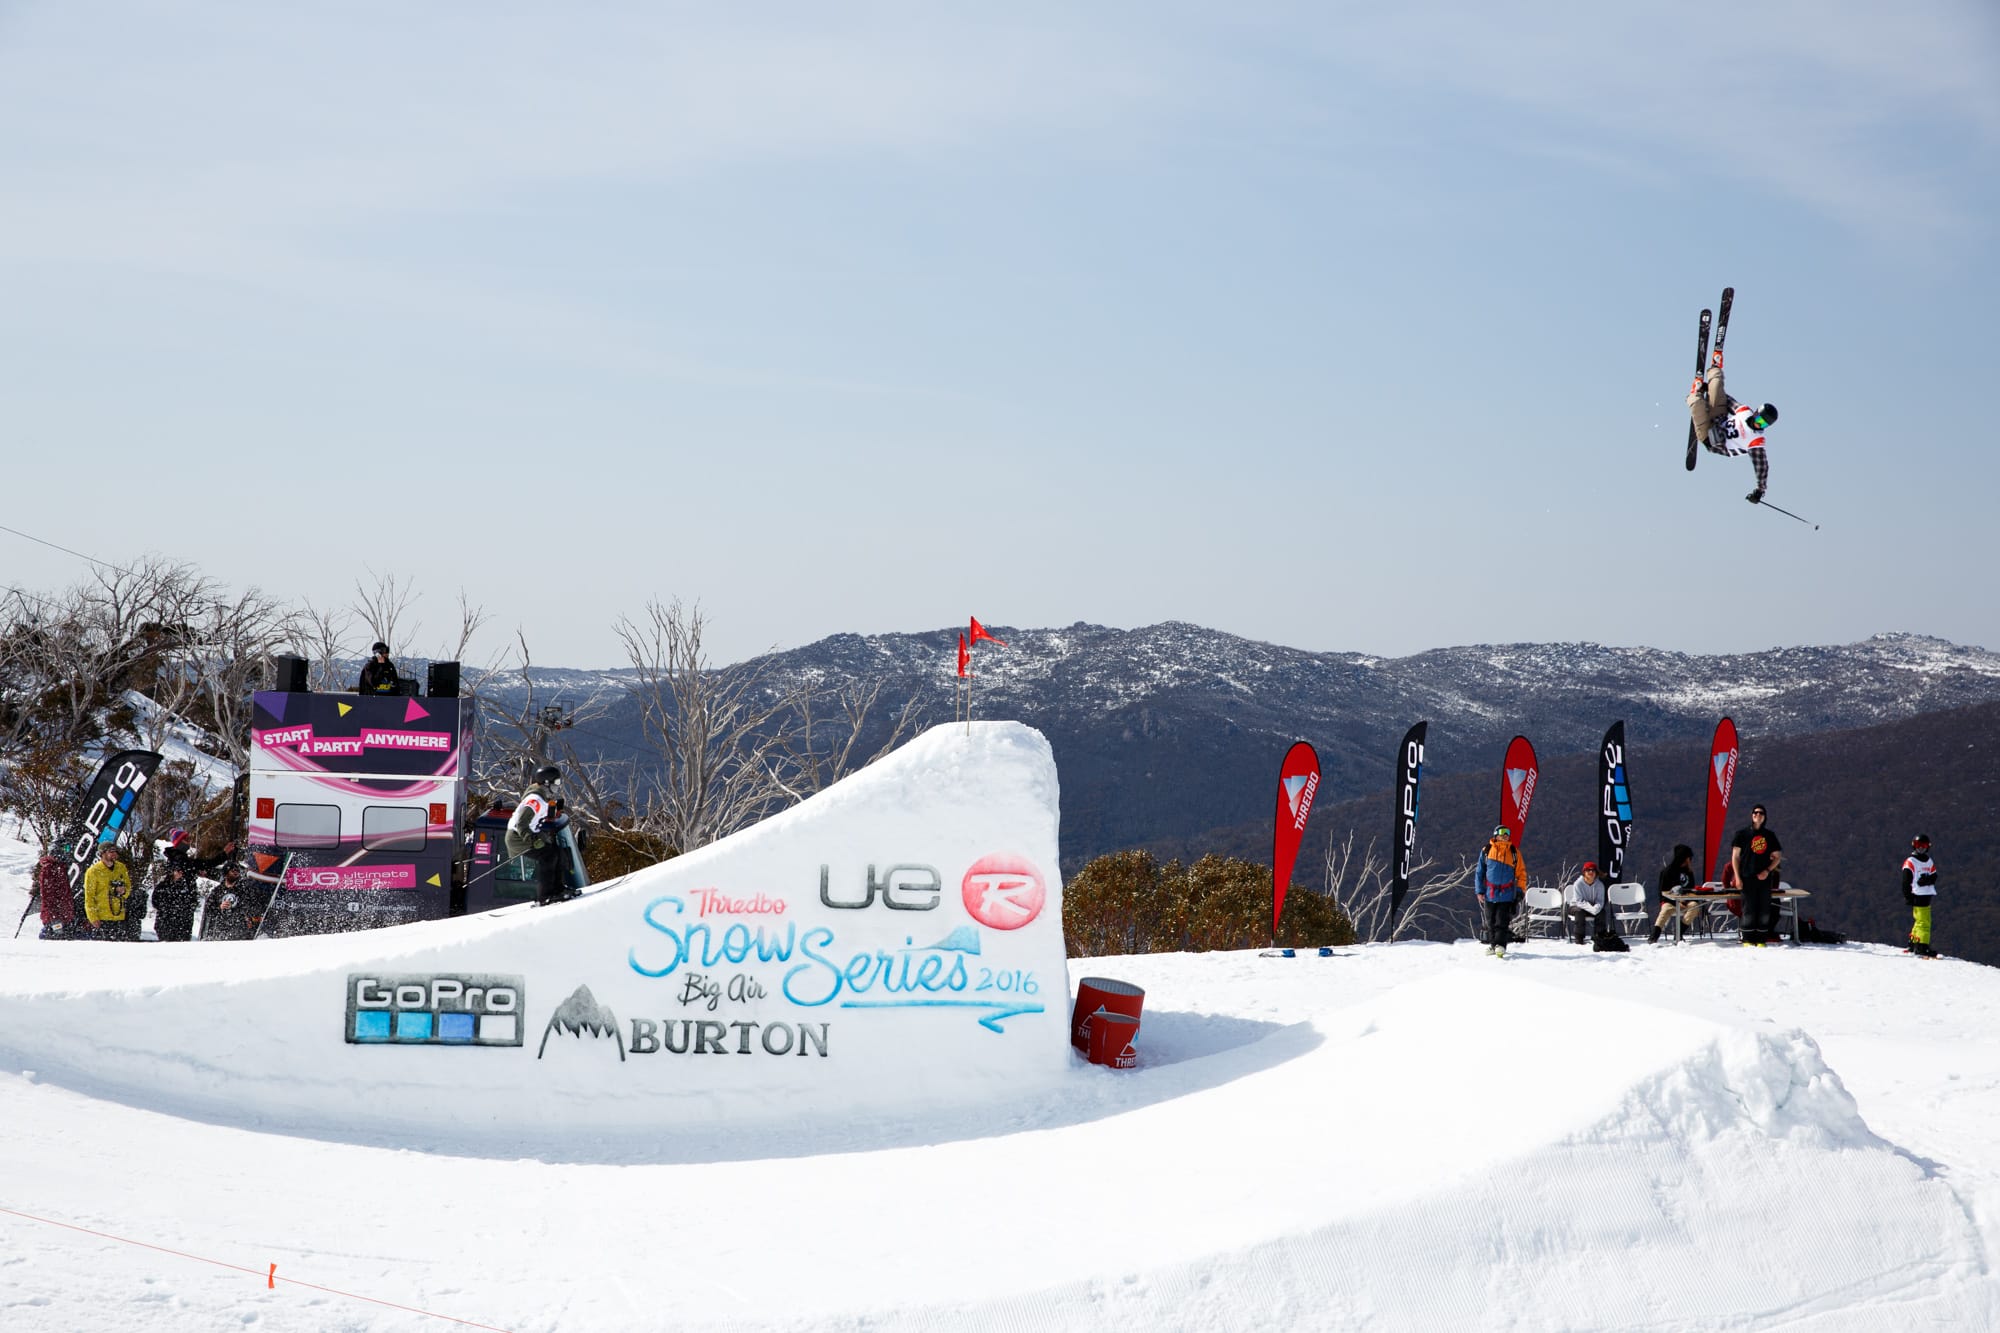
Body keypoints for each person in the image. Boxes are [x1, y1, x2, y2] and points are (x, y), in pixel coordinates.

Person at [1687, 349, 1778, 504]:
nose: (1758, 424)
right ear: (1756, 413)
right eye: (1759, 419)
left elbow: (1762, 467)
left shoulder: (1755, 441)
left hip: (1711, 439)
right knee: (1715, 385)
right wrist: (1708, 389)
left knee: (1696, 402)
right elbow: (1726, 400)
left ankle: (1692, 396)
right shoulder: (1745, 411)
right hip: (1718, 418)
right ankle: (1715, 367)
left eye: (1763, 424)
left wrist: (1760, 490)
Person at [506, 764, 574, 906]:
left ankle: (558, 890)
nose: (558, 786)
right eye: (556, 783)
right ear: (546, 783)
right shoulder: (535, 800)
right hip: (517, 836)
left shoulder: (541, 797)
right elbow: (522, 823)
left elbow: (535, 818)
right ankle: (545, 896)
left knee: (556, 852)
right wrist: (533, 839)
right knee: (548, 856)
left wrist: (551, 814)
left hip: (525, 834)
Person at [153, 828, 236, 943]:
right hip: (172, 917)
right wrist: (224, 854)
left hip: (180, 915)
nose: (190, 842)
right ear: (179, 842)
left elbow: (201, 865)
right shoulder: (176, 860)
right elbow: (206, 864)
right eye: (186, 839)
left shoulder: (180, 859)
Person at [1729, 803, 1784, 946]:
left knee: (1764, 909)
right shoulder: (1741, 834)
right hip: (1746, 876)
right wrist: (1737, 877)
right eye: (1755, 813)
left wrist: (1767, 870)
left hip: (1764, 878)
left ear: (1765, 817)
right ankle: (1747, 938)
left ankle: (1761, 939)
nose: (1757, 815)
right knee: (1748, 908)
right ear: (1751, 815)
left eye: (1761, 813)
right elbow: (1735, 857)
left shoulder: (1770, 836)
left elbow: (1778, 855)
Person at [1475, 824, 1527, 958]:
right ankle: (1493, 945)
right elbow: (1479, 872)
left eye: (1507, 834)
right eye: (1502, 833)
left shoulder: (1514, 852)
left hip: (1507, 894)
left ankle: (1500, 945)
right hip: (1490, 893)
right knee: (1490, 921)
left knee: (1502, 921)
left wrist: (1521, 890)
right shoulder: (1487, 851)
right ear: (1495, 835)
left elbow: (1521, 873)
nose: (1505, 836)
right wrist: (1479, 890)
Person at [83, 842, 138, 940]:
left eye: (115, 852)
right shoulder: (93, 871)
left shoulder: (121, 867)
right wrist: (93, 917)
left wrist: (124, 891)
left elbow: (128, 887)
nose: (114, 854)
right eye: (110, 852)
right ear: (102, 854)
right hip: (102, 918)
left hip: (119, 916)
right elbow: (89, 897)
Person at [1649, 844, 1702, 944]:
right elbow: (1662, 892)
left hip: (1686, 900)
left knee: (1694, 907)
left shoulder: (1689, 872)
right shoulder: (1667, 872)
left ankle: (1679, 933)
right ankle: (1654, 936)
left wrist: (1690, 900)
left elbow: (1691, 889)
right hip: (1670, 901)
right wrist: (1675, 902)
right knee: (1665, 911)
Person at [200, 863, 268, 941]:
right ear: (225, 874)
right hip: (221, 930)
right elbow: (209, 909)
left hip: (241, 930)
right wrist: (219, 907)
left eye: (237, 870)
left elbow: (256, 905)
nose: (236, 872)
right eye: (233, 871)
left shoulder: (245, 889)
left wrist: (247, 915)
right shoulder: (217, 891)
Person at [1901, 833, 1939, 958]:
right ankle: (1922, 946)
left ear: (1928, 847)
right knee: (1924, 921)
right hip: (1917, 894)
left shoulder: (1928, 860)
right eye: (1918, 845)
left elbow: (1934, 875)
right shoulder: (1911, 862)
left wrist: (1928, 880)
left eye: (1924, 846)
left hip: (1927, 894)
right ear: (1914, 846)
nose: (1921, 848)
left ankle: (1914, 943)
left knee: (1919, 920)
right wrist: (1908, 896)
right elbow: (1906, 881)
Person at [35, 842, 76, 939]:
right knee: (55, 940)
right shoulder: (49, 868)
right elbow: (47, 895)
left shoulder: (61, 867)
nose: (67, 853)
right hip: (55, 915)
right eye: (65, 849)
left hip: (65, 913)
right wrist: (54, 915)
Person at [1565, 861, 1606, 944]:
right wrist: (1591, 908)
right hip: (1576, 906)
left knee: (1602, 912)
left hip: (1592, 907)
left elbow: (1600, 901)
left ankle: (1599, 936)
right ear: (1584, 872)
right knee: (1580, 912)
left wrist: (1596, 908)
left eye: (1593, 870)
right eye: (1588, 870)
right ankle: (1579, 938)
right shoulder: (1578, 884)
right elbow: (1579, 901)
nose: (1591, 872)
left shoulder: (1600, 885)